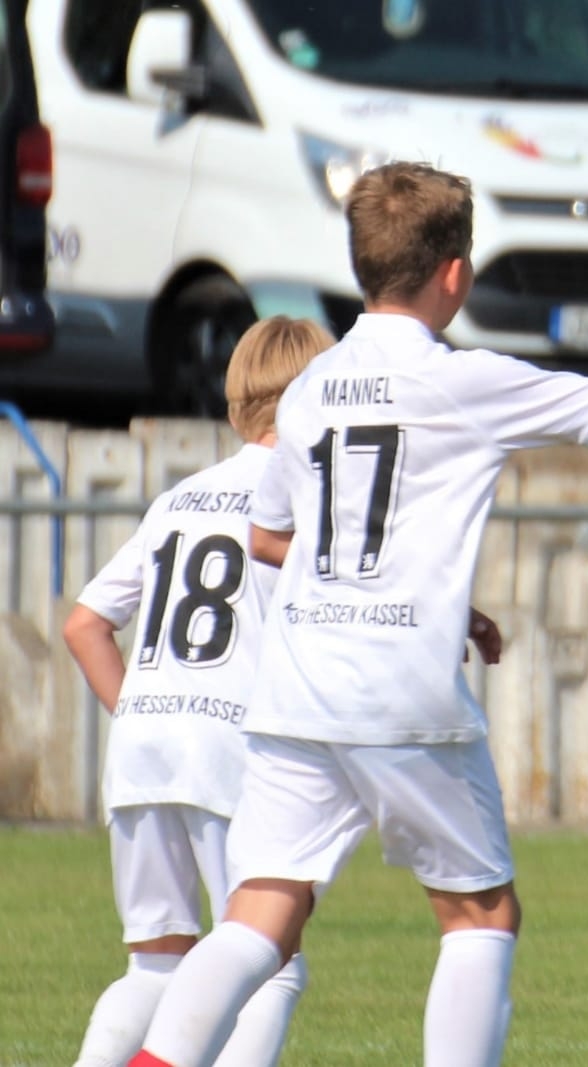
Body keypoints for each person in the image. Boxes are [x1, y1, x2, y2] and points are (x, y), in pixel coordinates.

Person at [127, 160, 588, 1067]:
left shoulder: (311, 388)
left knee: (258, 914)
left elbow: (270, 536)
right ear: (456, 274)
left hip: (297, 691)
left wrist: (432, 592)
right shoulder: (465, 380)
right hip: (401, 689)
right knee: (480, 913)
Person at [62, 316, 335, 1067]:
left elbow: (85, 624)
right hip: (234, 752)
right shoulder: (304, 502)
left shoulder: (180, 499)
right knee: (271, 961)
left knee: (156, 965)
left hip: (142, 747)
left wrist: (145, 708)